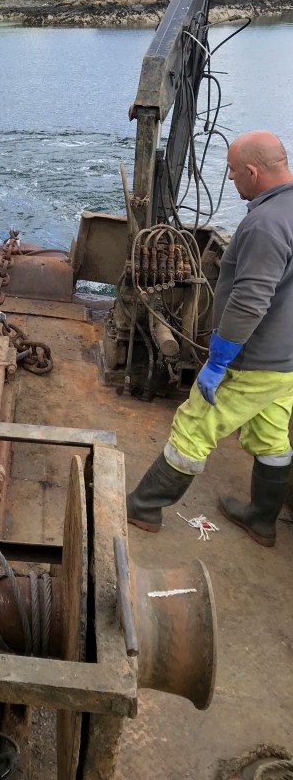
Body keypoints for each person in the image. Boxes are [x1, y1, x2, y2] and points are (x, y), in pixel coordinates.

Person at [127, 129, 293, 547]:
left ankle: (144, 507)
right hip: (286, 363)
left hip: (254, 361)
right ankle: (261, 521)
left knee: (195, 427)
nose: (231, 178)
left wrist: (220, 360)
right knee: (272, 437)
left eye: (234, 172)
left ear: (253, 171)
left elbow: (251, 299)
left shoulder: (266, 224)